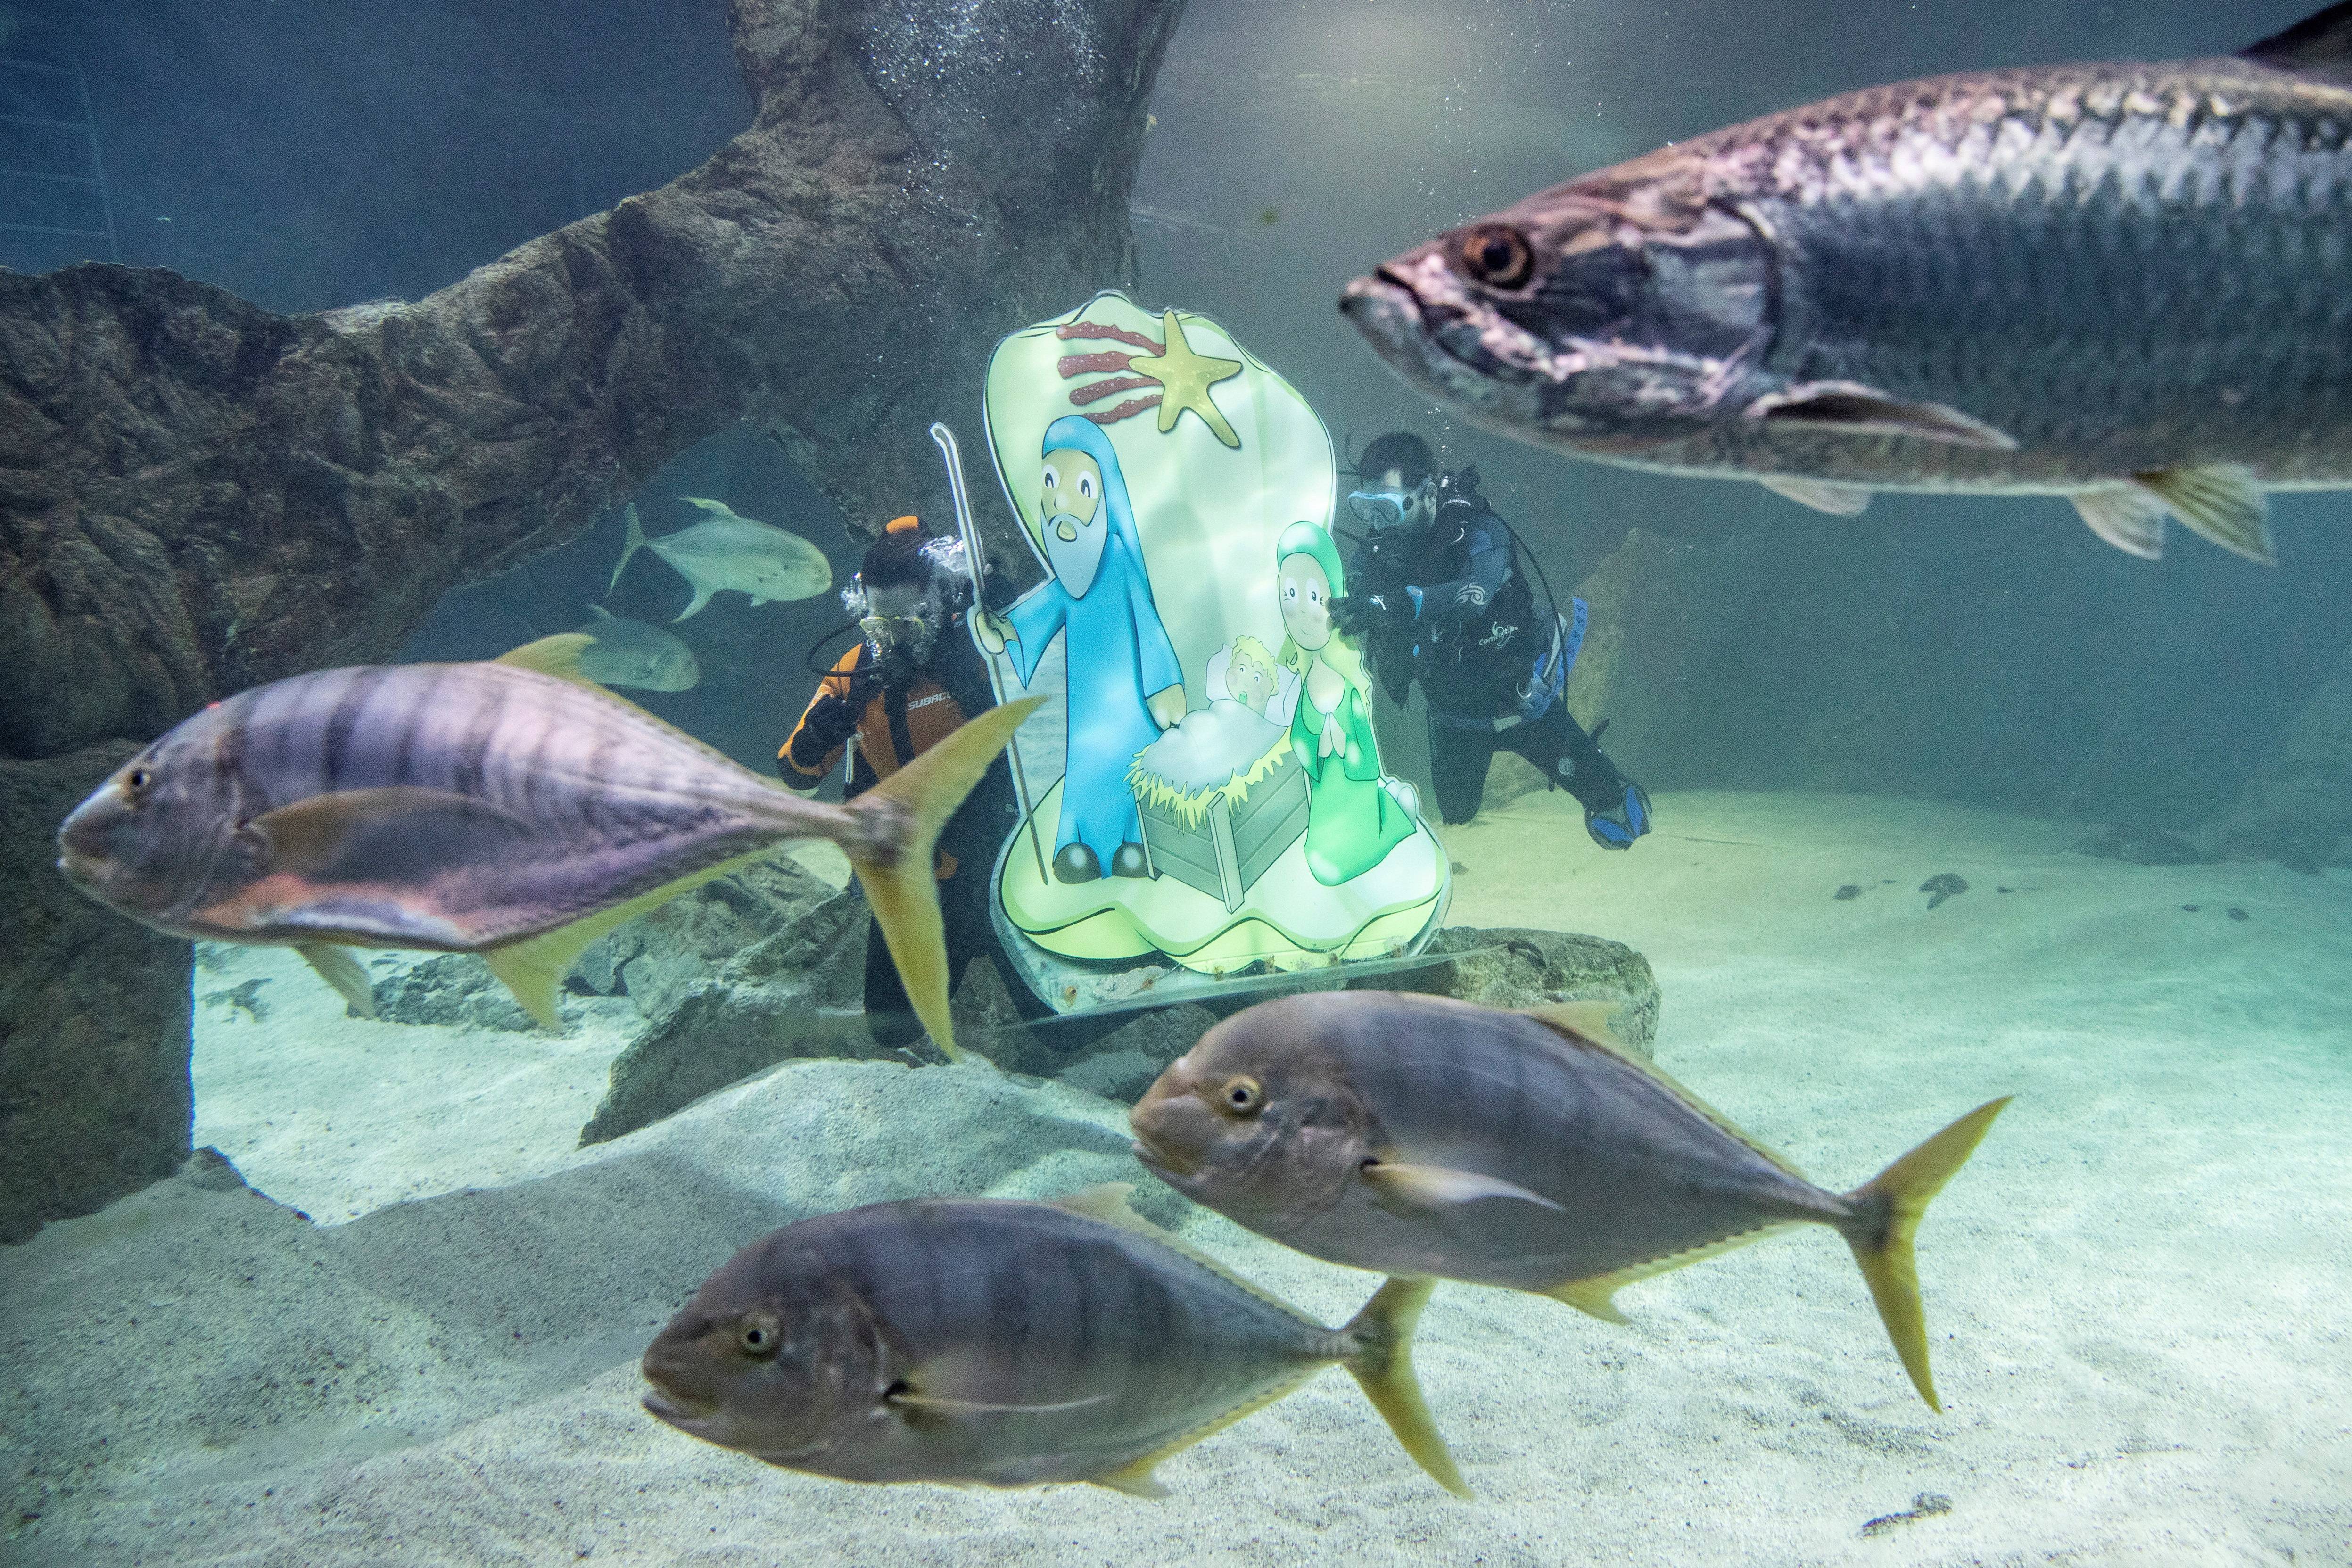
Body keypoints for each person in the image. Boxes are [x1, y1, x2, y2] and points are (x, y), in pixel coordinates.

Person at [779, 516, 1041, 1051]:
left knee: (1056, 1028)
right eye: (881, 625)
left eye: (909, 623)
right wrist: (815, 736)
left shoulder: (982, 649)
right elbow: (796, 771)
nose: (893, 640)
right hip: (917, 877)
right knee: (891, 1025)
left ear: (941, 603)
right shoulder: (854, 672)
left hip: (1002, 867)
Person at [1329, 431, 1651, 848]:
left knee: (1619, 815)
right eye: (1366, 509)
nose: (1377, 525)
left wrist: (1394, 605)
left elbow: (1474, 596)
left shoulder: (1481, 531)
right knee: (1457, 815)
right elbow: (1352, 595)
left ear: (1428, 493)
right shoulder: (1378, 552)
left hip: (1522, 704)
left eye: (1388, 509)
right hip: (1453, 717)